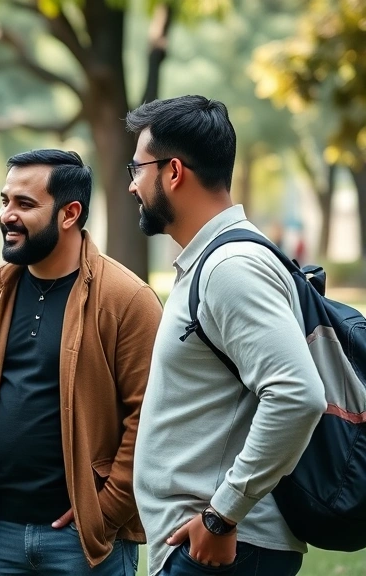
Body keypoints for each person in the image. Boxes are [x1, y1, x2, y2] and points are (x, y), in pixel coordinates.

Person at [127, 96, 327, 576]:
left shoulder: (230, 268)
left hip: (224, 550)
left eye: (137, 169)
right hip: (209, 547)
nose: (133, 185)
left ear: (173, 172)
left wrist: (221, 515)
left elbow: (298, 395)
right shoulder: (211, 261)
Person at [0, 149, 162, 575]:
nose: (7, 215)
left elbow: (148, 418)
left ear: (70, 213)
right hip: (1, 534)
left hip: (84, 544)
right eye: (5, 201)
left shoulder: (127, 300)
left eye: (25, 204)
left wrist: (103, 513)